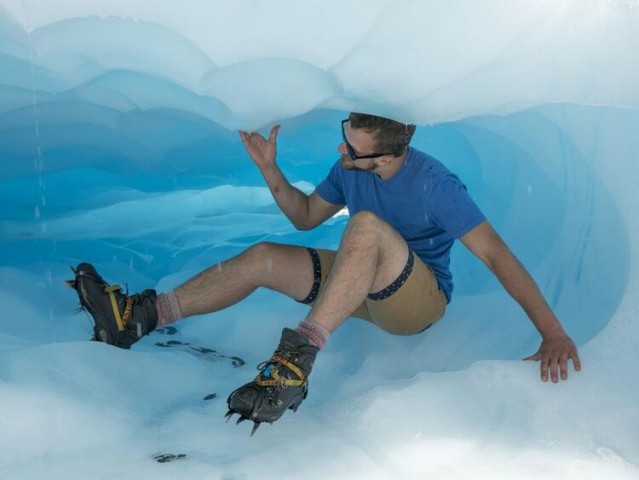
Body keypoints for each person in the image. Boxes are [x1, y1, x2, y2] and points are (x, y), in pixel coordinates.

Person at [68, 113, 581, 435]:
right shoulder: (350, 166)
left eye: (351, 148)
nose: (341, 151)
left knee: (366, 226)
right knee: (265, 255)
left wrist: (553, 333)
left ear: (384, 156)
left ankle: (294, 361)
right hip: (360, 281)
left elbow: (497, 255)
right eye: (343, 139)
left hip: (417, 302)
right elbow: (305, 217)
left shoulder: (436, 186)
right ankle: (140, 318)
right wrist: (270, 169)